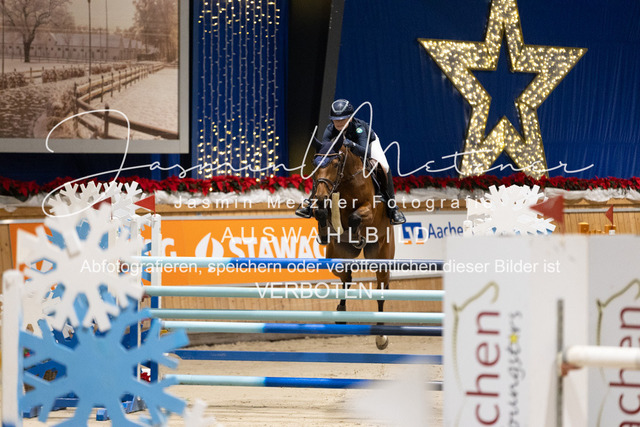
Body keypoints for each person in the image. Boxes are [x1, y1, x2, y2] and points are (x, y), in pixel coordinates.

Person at [296, 99, 406, 225]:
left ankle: (392, 207)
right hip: (345, 151)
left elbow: (365, 152)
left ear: (350, 117)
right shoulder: (330, 129)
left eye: (342, 119)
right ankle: (311, 202)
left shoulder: (359, 128)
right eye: (335, 119)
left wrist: (351, 144)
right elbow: (325, 151)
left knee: (384, 166)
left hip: (368, 145)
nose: (339, 122)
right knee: (323, 166)